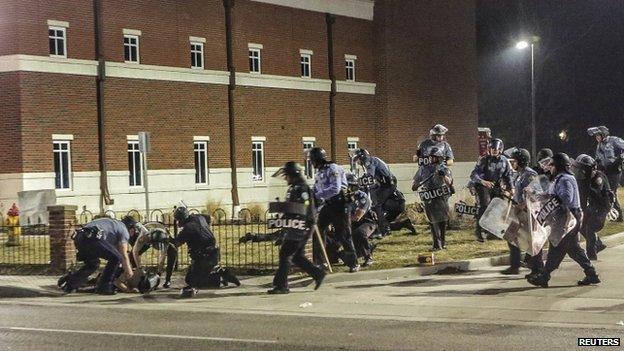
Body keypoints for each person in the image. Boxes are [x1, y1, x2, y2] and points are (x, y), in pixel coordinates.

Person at [527, 153, 600, 288]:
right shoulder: (558, 178)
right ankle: (591, 274)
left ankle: (545, 276)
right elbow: (550, 195)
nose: (550, 167)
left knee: (563, 246)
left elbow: (566, 198)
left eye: (552, 165)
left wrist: (549, 198)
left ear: (558, 166)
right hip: (563, 216)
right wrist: (535, 195)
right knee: (563, 246)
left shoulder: (566, 179)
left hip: (570, 217)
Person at [268, 162, 326, 294]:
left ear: (293, 175)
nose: (285, 178)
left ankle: (281, 286)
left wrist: (295, 220)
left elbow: (304, 206)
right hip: (296, 225)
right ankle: (318, 274)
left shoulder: (302, 188)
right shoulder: (295, 187)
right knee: (297, 256)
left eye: (287, 175)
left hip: (301, 226)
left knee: (285, 254)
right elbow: (291, 207)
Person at [309, 147, 359, 272]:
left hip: (340, 204)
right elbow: (316, 188)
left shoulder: (332, 168)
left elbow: (335, 189)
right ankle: (321, 262)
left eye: (313, 160)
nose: (311, 162)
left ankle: (354, 263)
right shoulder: (319, 172)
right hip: (328, 205)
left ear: (318, 159)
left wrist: (317, 195)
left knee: (344, 234)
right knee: (318, 230)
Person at [172, 206, 240, 297]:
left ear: (181, 219)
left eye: (178, 220)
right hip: (213, 253)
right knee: (189, 279)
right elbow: (211, 218)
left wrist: (167, 238)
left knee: (193, 282)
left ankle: (219, 274)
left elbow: (176, 243)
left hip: (204, 258)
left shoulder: (188, 229)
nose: (177, 222)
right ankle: (216, 273)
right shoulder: (198, 217)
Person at [58, 217, 136, 295]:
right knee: (116, 258)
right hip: (93, 238)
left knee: (93, 264)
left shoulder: (114, 224)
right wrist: (129, 273)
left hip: (79, 237)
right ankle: (104, 286)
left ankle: (70, 283)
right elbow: (123, 255)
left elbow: (114, 251)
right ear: (131, 229)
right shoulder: (124, 230)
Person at [501, 148, 543, 276]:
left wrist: (522, 205)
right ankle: (515, 266)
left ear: (521, 161)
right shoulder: (519, 174)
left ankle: (538, 268)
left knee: (532, 240)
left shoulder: (529, 175)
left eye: (514, 161)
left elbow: (536, 195)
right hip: (518, 212)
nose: (512, 163)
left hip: (528, 213)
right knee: (510, 236)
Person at [470, 138, 514, 242]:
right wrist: (483, 182)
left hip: (496, 186)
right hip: (482, 185)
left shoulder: (504, 161)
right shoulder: (483, 159)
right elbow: (473, 174)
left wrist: (511, 187)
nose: (494, 151)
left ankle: (492, 232)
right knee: (485, 205)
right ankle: (479, 231)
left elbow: (508, 176)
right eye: (492, 149)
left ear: (500, 150)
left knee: (498, 207)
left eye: (496, 149)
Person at [412, 147, 453, 250]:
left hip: (441, 197)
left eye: (434, 157)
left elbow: (450, 183)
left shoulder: (444, 169)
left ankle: (442, 243)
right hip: (429, 197)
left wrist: (443, 176)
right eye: (430, 157)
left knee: (443, 220)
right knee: (433, 220)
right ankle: (436, 244)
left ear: (439, 158)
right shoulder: (423, 169)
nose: (431, 159)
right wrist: (415, 185)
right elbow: (415, 181)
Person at [352, 148, 399, 237]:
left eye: (357, 159)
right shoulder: (372, 159)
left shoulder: (368, 161)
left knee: (376, 205)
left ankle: (383, 230)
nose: (357, 161)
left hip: (387, 184)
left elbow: (370, 177)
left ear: (361, 157)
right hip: (384, 183)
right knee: (375, 202)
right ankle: (383, 226)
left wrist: (358, 182)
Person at [573, 154, 611, 260]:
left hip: (602, 208)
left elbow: (598, 195)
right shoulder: (585, 179)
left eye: (584, 170)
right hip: (593, 206)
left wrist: (586, 186)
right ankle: (598, 244)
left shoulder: (598, 177)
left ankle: (591, 255)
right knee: (581, 224)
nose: (581, 173)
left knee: (590, 227)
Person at [588, 126, 623, 222]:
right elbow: (597, 158)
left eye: (598, 135)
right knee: (605, 192)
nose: (596, 137)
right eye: (595, 136)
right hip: (605, 171)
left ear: (603, 134)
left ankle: (619, 215)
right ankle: (611, 212)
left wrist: (620, 159)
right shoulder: (599, 145)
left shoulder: (614, 140)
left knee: (611, 192)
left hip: (614, 171)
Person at [129, 222, 178, 288]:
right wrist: (139, 268)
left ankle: (168, 279)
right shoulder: (144, 235)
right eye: (156, 246)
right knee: (131, 256)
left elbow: (162, 257)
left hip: (162, 233)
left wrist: (158, 274)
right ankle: (135, 276)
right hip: (150, 234)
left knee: (173, 251)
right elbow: (135, 251)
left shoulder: (166, 238)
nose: (157, 248)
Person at [345, 173, 377, 267]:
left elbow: (357, 217)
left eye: (350, 186)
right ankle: (367, 248)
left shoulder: (362, 197)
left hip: (367, 222)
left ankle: (368, 257)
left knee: (360, 233)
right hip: (352, 223)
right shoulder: (344, 198)